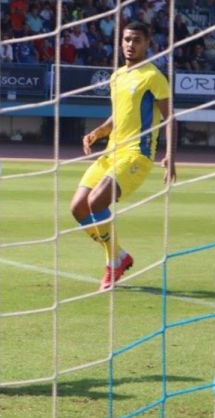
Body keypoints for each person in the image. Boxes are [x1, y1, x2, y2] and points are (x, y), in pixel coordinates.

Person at [71, 21, 174, 291]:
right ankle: (120, 256)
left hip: (136, 155)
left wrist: (171, 154)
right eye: (127, 39)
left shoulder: (153, 76)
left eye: (137, 40)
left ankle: (113, 262)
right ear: (121, 42)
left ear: (147, 43)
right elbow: (119, 116)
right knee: (78, 207)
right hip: (111, 152)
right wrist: (99, 131)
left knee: (96, 201)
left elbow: (169, 117)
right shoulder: (117, 75)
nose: (131, 44)